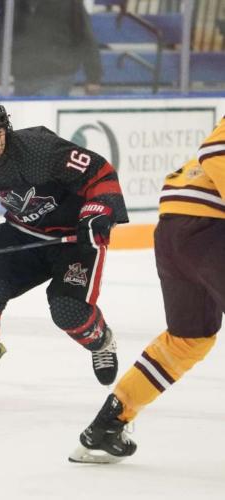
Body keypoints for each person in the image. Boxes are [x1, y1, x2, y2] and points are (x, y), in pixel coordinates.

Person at [0, 94, 128, 404]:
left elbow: (99, 173)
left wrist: (98, 211)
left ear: (6, 129)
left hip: (74, 238)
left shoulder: (39, 149)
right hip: (23, 233)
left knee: (68, 311)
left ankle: (101, 341)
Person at [69, 117, 225, 464]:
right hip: (208, 227)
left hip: (179, 227)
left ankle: (109, 424)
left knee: (189, 339)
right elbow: (216, 152)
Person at [0, 0, 102, 97]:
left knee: (42, 118)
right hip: (22, 76)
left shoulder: (69, 2)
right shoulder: (15, 3)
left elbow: (85, 38)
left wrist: (93, 77)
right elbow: (1, 32)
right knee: (27, 120)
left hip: (57, 76)